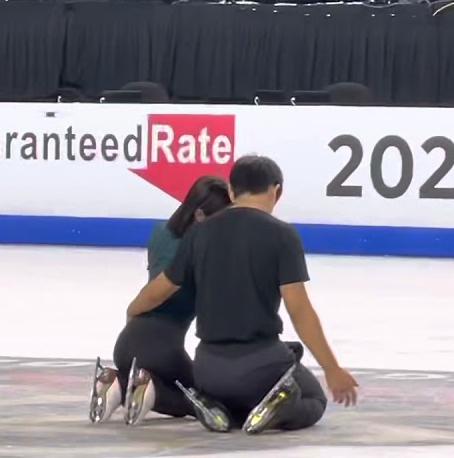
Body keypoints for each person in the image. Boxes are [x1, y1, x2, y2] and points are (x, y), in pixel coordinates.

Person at [124, 155, 359, 435]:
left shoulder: (199, 233)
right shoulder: (282, 235)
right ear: (276, 191)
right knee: (314, 398)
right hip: (262, 366)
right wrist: (332, 369)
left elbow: (159, 289)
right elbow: (300, 310)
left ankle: (218, 409)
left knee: (236, 403)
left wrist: (133, 310)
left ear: (232, 191)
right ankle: (282, 408)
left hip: (208, 370)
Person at [90, 175, 233, 426]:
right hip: (162, 350)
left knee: (186, 388)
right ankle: (149, 391)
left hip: (127, 341)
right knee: (208, 402)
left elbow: (153, 286)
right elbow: (165, 289)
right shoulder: (200, 249)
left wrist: (133, 312)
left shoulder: (160, 232)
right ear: (200, 215)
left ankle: (119, 383)